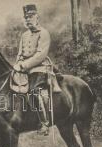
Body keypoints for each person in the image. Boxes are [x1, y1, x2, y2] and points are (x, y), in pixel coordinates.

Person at [13, 4, 61, 135]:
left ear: (37, 17)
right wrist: (17, 64)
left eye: (30, 16)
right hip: (24, 68)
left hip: (40, 68)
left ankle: (44, 123)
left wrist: (24, 65)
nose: (28, 20)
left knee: (34, 91)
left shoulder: (44, 33)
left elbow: (40, 55)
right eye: (26, 17)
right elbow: (20, 53)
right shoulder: (24, 35)